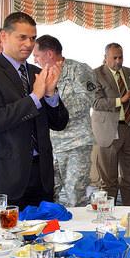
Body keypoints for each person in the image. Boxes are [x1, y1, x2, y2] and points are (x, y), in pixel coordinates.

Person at [0, 12, 69, 216]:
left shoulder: (36, 72)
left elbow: (59, 123)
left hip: (40, 178)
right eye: (22, 37)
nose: (29, 44)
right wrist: (35, 96)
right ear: (4, 37)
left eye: (32, 38)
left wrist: (50, 95)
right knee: (5, 243)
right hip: (4, 179)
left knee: (42, 243)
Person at [33, 35, 95, 207]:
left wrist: (53, 104)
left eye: (37, 55)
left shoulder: (79, 70)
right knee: (49, 197)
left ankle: (77, 233)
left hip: (75, 144)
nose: (34, 59)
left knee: (74, 195)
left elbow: (85, 102)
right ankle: (55, 233)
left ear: (50, 54)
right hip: (50, 146)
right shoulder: (39, 75)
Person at [91, 43, 130, 206]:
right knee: (109, 182)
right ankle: (107, 218)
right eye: (114, 58)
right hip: (108, 132)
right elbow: (95, 102)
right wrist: (119, 100)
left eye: (120, 57)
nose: (118, 61)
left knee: (129, 180)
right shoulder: (95, 74)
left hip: (129, 129)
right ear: (105, 57)